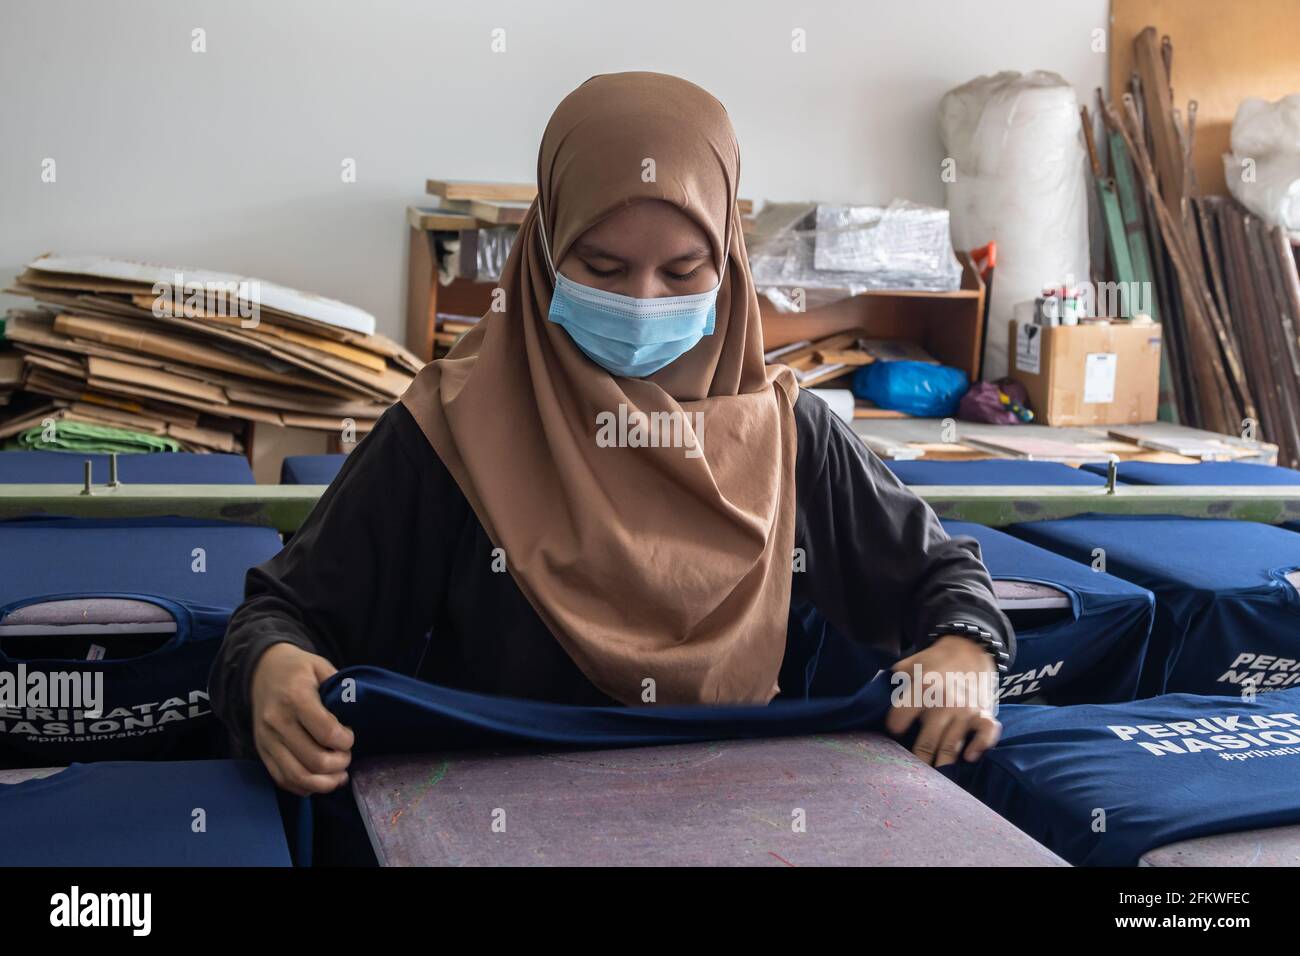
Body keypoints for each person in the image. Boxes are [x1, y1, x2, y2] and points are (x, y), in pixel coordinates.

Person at [210, 71, 1013, 798]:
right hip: (494, 819)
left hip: (734, 817)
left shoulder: (786, 434)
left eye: (682, 272)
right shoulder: (451, 429)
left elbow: (943, 576)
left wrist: (965, 651)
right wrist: (270, 674)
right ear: (544, 253)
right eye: (601, 268)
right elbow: (282, 613)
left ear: (727, 268)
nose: (641, 300)